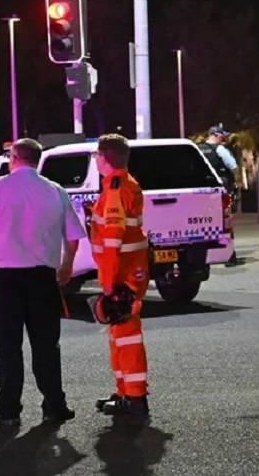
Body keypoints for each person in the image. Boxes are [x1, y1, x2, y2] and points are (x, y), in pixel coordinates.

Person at [0, 138, 86, 427]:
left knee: (7, 346)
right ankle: (54, 406)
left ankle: (9, 412)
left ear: (14, 158)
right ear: (37, 161)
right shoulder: (54, 190)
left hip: (3, 280)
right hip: (42, 278)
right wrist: (66, 265)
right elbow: (73, 237)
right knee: (46, 345)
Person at [91, 133, 151, 418]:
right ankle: (125, 393)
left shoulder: (115, 190)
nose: (95, 160)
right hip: (129, 270)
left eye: (97, 155)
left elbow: (113, 242)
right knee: (119, 334)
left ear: (104, 158)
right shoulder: (124, 184)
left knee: (126, 336)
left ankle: (135, 398)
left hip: (121, 274)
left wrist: (108, 283)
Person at [198, 125, 241, 265]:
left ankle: (203, 255)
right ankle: (228, 254)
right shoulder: (220, 150)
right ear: (216, 136)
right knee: (224, 222)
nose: (224, 140)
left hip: (200, 193)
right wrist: (236, 181)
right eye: (222, 137)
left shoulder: (197, 149)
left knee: (204, 223)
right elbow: (233, 167)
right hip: (220, 192)